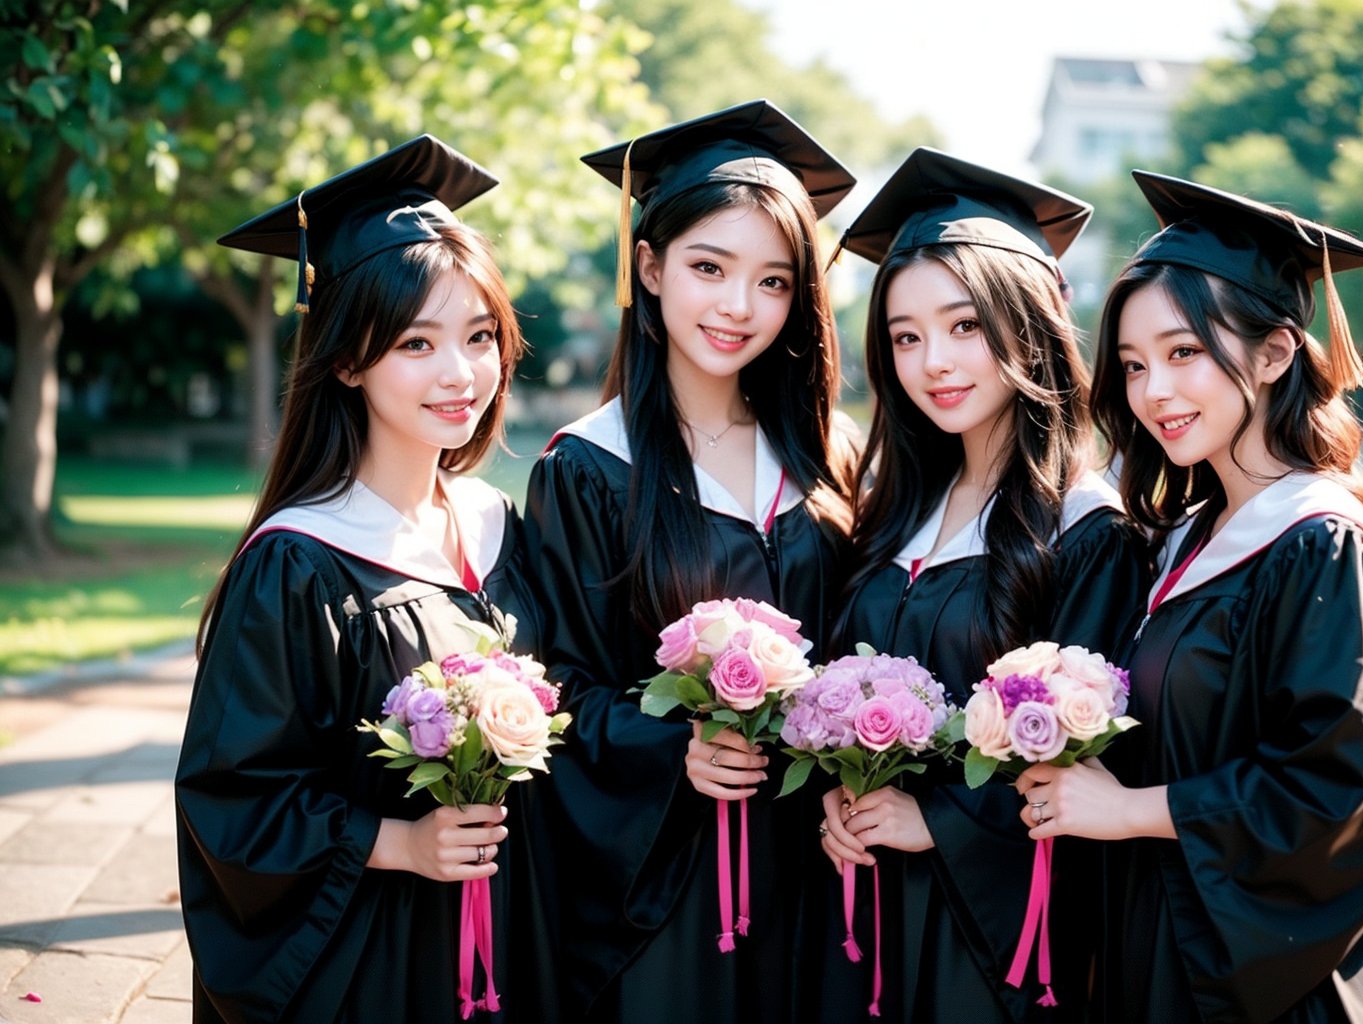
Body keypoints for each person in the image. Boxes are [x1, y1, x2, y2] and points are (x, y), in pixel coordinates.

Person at [1018, 170, 1363, 1022]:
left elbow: (1338, 790)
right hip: (1173, 950)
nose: (1155, 393)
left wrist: (1133, 809)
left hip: (1276, 984)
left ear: (1277, 351)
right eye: (1135, 366)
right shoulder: (1187, 539)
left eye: (1184, 354)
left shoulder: (1318, 543)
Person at [175, 136, 554, 1023]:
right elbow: (236, 795)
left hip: (506, 926)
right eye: (416, 342)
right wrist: (398, 842)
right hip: (374, 951)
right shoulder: (298, 560)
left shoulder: (499, 526)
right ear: (348, 360)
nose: (460, 374)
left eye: (479, 336)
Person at [521, 100, 857, 1022]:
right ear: (650, 266)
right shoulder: (588, 467)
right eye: (710, 268)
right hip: (667, 882)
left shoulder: (834, 457)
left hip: (826, 866)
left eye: (774, 281)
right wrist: (674, 746)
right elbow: (557, 689)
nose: (738, 307)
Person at [814, 148, 1152, 1022]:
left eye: (965, 326)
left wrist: (940, 822)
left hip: (991, 936)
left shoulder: (1085, 524)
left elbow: (1093, 759)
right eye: (906, 335)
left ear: (1029, 324)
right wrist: (837, 792)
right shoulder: (892, 511)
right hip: (862, 912)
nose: (934, 362)